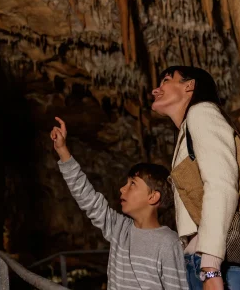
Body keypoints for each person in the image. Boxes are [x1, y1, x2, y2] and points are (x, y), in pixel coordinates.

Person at [151, 66, 240, 290]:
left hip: (224, 270)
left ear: (189, 85)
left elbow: (221, 186)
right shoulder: (189, 128)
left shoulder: (202, 113)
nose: (155, 90)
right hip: (206, 265)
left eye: (166, 80)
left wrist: (210, 268)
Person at [51, 117, 189, 290]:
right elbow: (87, 198)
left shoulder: (168, 243)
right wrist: (63, 150)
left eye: (132, 184)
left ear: (153, 197)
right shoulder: (119, 229)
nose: (122, 189)